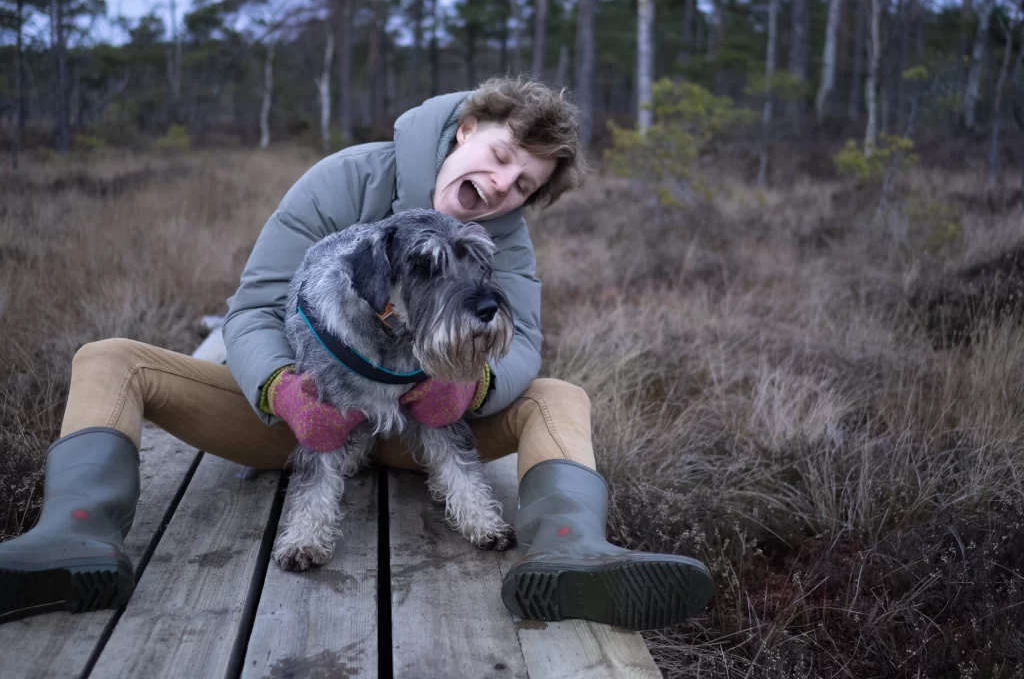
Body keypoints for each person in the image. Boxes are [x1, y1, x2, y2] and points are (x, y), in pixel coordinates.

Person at [0, 77, 714, 630]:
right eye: (499, 156)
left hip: (420, 428)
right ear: (464, 130)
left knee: (562, 395)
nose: (500, 185)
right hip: (298, 422)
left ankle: (572, 554)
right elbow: (252, 309)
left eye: (522, 184)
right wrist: (282, 390)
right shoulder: (345, 179)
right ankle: (72, 541)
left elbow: (522, 342)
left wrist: (474, 386)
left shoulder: (501, 238)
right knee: (108, 357)